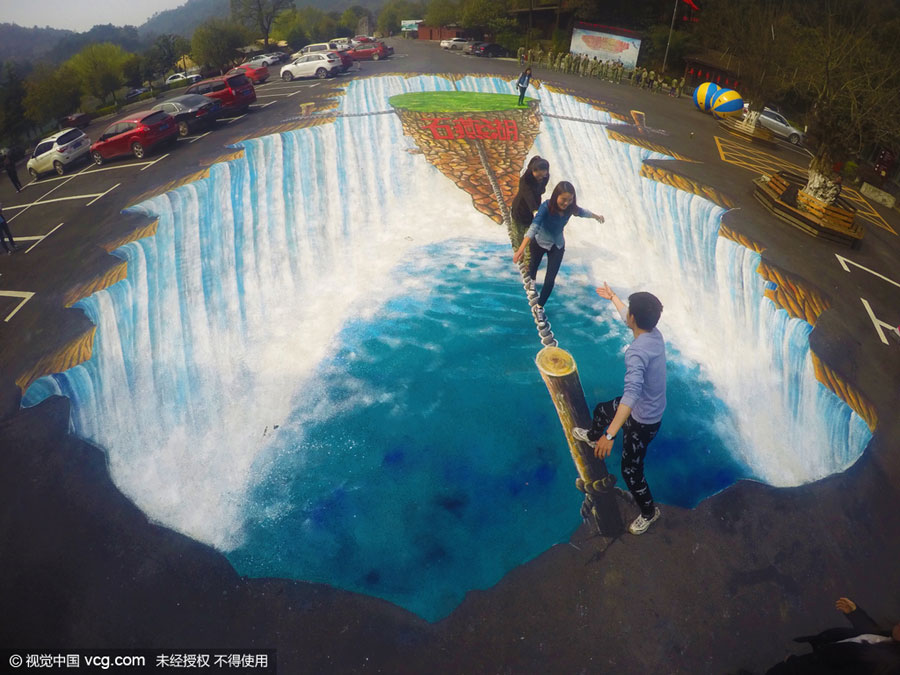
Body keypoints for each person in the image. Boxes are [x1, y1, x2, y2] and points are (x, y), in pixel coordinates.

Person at [573, 284, 666, 535]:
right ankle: (593, 437)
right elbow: (628, 317)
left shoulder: (636, 353)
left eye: (630, 313)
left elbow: (632, 395)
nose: (628, 316)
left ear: (634, 318)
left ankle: (649, 513)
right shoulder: (654, 334)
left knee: (631, 470)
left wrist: (610, 435)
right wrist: (613, 297)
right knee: (604, 409)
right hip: (645, 405)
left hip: (644, 419)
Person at [512, 181, 604, 313]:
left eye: (570, 200)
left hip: (557, 245)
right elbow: (534, 227)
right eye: (563, 199)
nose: (566, 203)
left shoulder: (571, 208)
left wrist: (597, 217)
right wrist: (520, 250)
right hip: (539, 242)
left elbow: (584, 212)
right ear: (556, 196)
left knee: (550, 280)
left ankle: (540, 307)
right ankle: (531, 283)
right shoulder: (546, 207)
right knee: (532, 268)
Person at [766, 597, 900, 674]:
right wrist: (856, 614)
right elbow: (875, 636)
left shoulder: (876, 665)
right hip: (821, 654)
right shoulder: (892, 643)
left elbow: (823, 670)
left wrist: (793, 664)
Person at [509, 156, 550, 248]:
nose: (541, 177)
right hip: (520, 210)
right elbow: (528, 195)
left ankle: (527, 261)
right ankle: (518, 257)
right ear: (533, 171)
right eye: (538, 175)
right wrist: (535, 210)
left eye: (542, 175)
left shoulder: (546, 177)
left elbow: (541, 190)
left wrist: (536, 211)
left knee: (530, 240)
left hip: (533, 211)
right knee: (517, 238)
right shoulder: (526, 179)